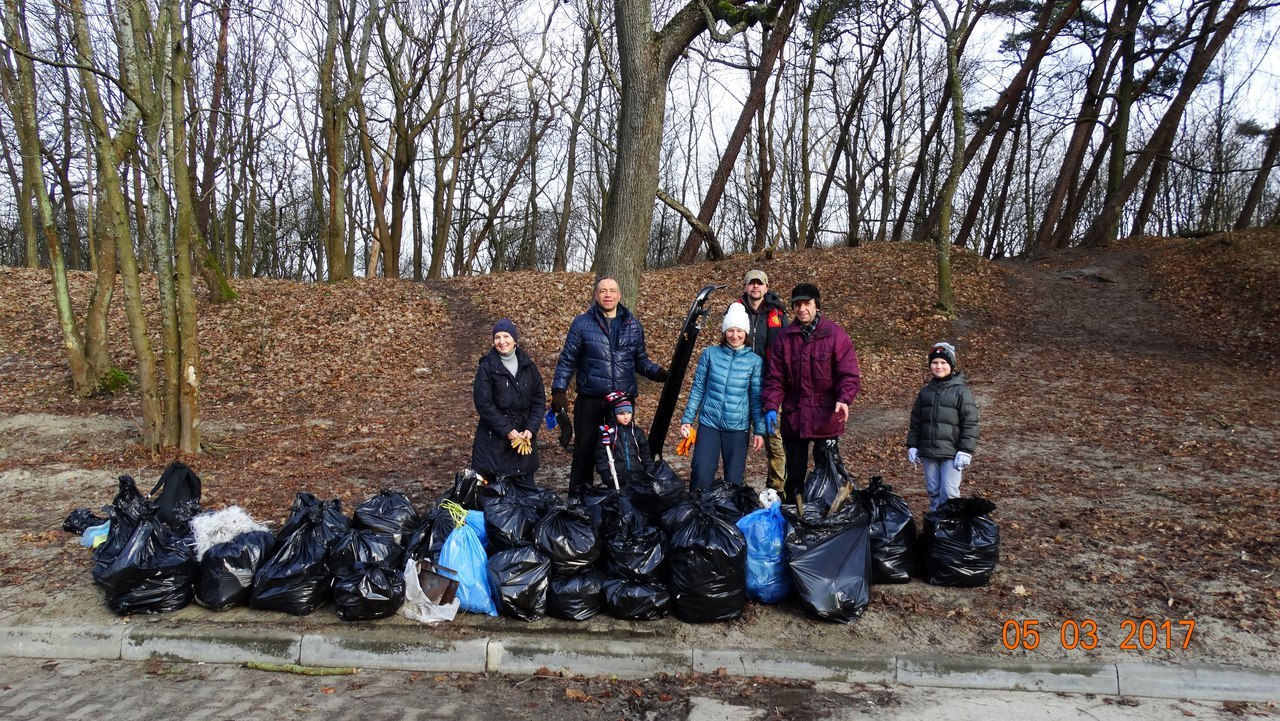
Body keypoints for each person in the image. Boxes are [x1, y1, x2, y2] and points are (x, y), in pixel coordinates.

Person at [551, 276, 669, 494]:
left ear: (619, 295)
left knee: (623, 452)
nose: (608, 295)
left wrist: (660, 374)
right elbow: (568, 359)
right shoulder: (582, 324)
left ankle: (623, 498)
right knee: (585, 451)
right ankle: (580, 499)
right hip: (591, 399)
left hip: (622, 403)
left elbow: (640, 361)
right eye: (603, 291)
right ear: (596, 296)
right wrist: (559, 390)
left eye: (612, 291)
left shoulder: (632, 325)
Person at [760, 283, 861, 503]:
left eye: (807, 303)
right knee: (794, 474)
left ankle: (826, 519)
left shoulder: (835, 335)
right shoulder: (784, 339)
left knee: (827, 472)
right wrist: (770, 406)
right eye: (797, 304)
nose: (802, 308)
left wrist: (844, 399)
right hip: (795, 416)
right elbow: (775, 378)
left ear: (817, 305)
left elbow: (849, 374)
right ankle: (794, 516)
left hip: (826, 416)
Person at [679, 302, 765, 491]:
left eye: (739, 331)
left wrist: (759, 430)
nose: (735, 335)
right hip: (709, 423)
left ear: (746, 333)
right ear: (724, 331)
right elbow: (698, 389)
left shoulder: (754, 362)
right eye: (730, 330)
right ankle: (698, 511)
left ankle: (730, 515)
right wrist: (687, 420)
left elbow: (756, 398)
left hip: (737, 426)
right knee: (701, 471)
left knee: (733, 479)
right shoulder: (710, 354)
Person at [470, 319, 546, 483]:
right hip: (494, 440)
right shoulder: (487, 368)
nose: (502, 341)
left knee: (525, 491)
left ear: (514, 340)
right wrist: (507, 430)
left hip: (524, 437)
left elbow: (539, 400)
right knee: (495, 494)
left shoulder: (529, 366)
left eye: (506, 336)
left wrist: (531, 429)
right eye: (497, 337)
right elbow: (484, 403)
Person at [907, 342, 980, 511]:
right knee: (933, 491)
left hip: (951, 453)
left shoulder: (961, 392)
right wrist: (913, 445)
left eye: (943, 363)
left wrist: (965, 450)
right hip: (928, 451)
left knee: (949, 492)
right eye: (934, 363)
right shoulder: (925, 392)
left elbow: (970, 423)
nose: (939, 366)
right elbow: (916, 421)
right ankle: (936, 527)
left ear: (951, 365)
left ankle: (951, 527)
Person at [739, 269, 787, 492]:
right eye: (751, 284)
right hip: (741, 383)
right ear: (745, 287)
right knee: (738, 437)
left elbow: (787, 349)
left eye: (760, 284)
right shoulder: (736, 310)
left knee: (774, 439)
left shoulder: (778, 313)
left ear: (766, 287)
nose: (755, 287)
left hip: (770, 384)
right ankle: (736, 486)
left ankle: (776, 489)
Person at [595, 391, 652, 489]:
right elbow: (601, 455)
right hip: (617, 476)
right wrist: (604, 472)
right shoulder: (609, 433)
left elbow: (645, 454)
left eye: (629, 413)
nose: (626, 417)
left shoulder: (637, 432)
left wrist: (649, 468)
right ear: (614, 414)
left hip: (637, 474)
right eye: (621, 413)